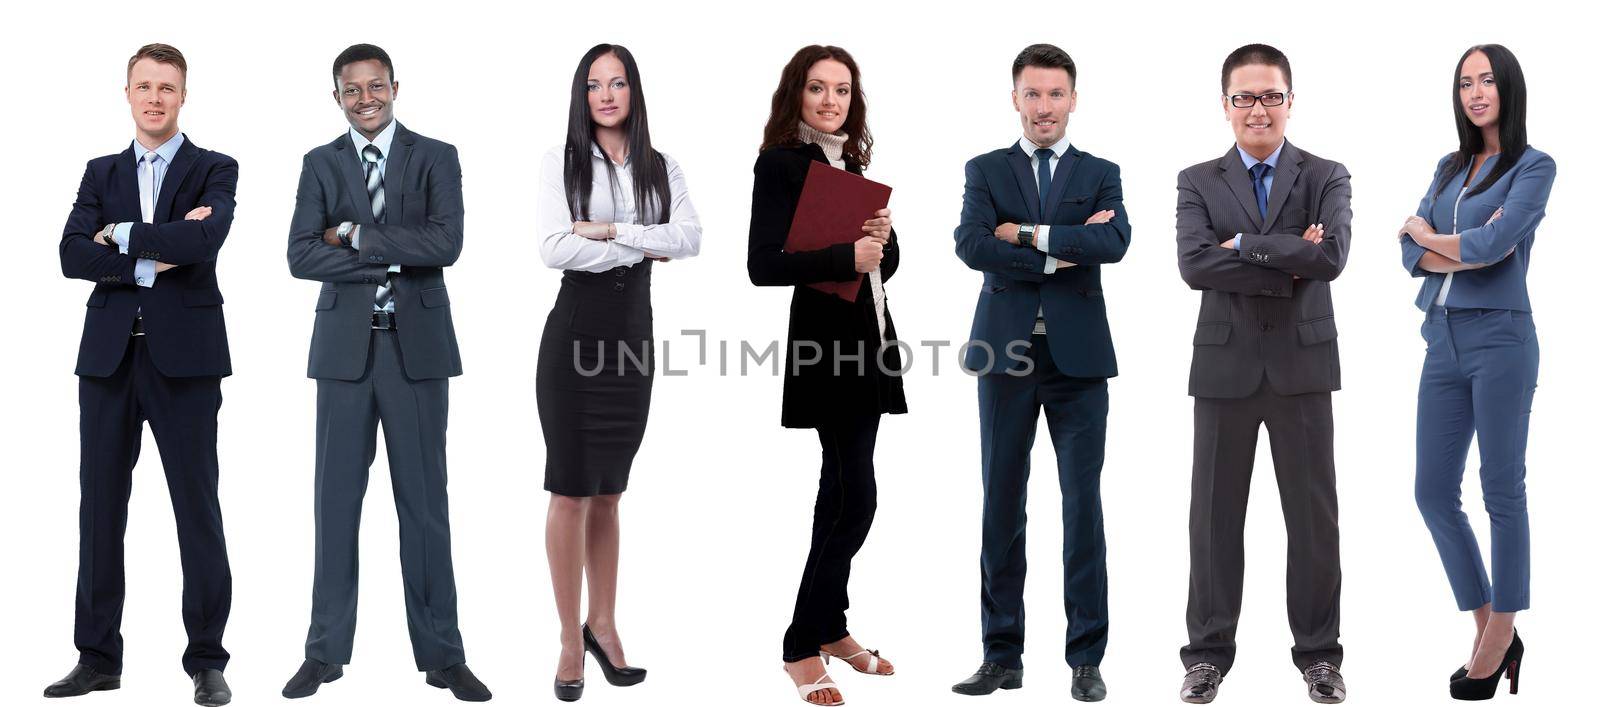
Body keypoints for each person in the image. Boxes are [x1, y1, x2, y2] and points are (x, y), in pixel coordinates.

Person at [281, 43, 490, 702]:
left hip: (417, 353)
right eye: (352, 90)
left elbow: (446, 243)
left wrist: (357, 235)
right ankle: (324, 652)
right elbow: (300, 254)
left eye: (376, 86)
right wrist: (391, 254)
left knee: (425, 507)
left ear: (395, 86)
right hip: (343, 356)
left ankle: (443, 655)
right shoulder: (320, 163)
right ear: (337, 96)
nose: (365, 99)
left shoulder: (435, 156)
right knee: (334, 506)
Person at [48, 43, 237, 707]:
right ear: (127, 93)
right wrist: (154, 252)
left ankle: (207, 660)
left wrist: (122, 233)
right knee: (100, 511)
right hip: (108, 359)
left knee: (197, 510)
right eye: (144, 86)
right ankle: (97, 656)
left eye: (167, 88)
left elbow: (203, 243)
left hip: (186, 361)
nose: (155, 97)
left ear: (183, 96)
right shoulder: (100, 172)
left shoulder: (215, 168)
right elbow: (71, 254)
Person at [949, 43, 1130, 704]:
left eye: (1056, 94)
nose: (1045, 107)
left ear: (1073, 99)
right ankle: (1002, 653)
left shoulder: (1101, 171)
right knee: (1002, 503)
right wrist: (1064, 246)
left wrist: (1024, 237)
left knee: (1082, 508)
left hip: (1079, 361)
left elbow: (1113, 242)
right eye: (1033, 94)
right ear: (1016, 98)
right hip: (1005, 355)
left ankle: (1086, 656)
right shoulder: (986, 168)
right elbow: (971, 243)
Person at [1173, 44, 1351, 705]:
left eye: (1270, 95)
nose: (1258, 109)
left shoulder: (1327, 174)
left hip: (1303, 366)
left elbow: (1330, 254)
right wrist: (1288, 258)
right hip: (1224, 367)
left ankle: (1320, 657)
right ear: (1225, 105)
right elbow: (1193, 265)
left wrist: (1243, 246)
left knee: (1313, 521)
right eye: (1244, 97)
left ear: (1290, 101)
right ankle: (1206, 657)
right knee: (1213, 520)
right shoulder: (1197, 179)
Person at [535, 43, 702, 703]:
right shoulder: (561, 162)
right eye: (595, 85)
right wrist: (642, 239)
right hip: (574, 341)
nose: (606, 95)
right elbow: (553, 247)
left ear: (634, 91)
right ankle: (568, 638)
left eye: (618, 82)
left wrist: (607, 231)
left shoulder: (664, 166)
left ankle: (602, 623)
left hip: (634, 343)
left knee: (610, 492)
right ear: (583, 96)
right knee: (571, 489)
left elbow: (690, 238)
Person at [747, 44, 903, 707]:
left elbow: (882, 268)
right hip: (826, 344)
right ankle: (798, 643)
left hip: (870, 337)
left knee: (839, 488)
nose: (831, 100)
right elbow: (763, 263)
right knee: (854, 495)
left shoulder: (852, 162)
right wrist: (850, 249)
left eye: (842, 90)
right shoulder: (782, 163)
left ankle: (831, 626)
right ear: (797, 95)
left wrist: (884, 241)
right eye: (818, 88)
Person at [1398, 44, 1553, 702]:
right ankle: (1488, 620)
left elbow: (1495, 246)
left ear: (1508, 88)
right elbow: (1407, 254)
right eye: (1466, 82)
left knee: (1501, 489)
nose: (1476, 91)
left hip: (1502, 338)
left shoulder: (1533, 166)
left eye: (1488, 79)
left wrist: (1428, 233)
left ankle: (1500, 632)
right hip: (1443, 338)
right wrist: (1440, 243)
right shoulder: (1450, 165)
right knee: (1432, 491)